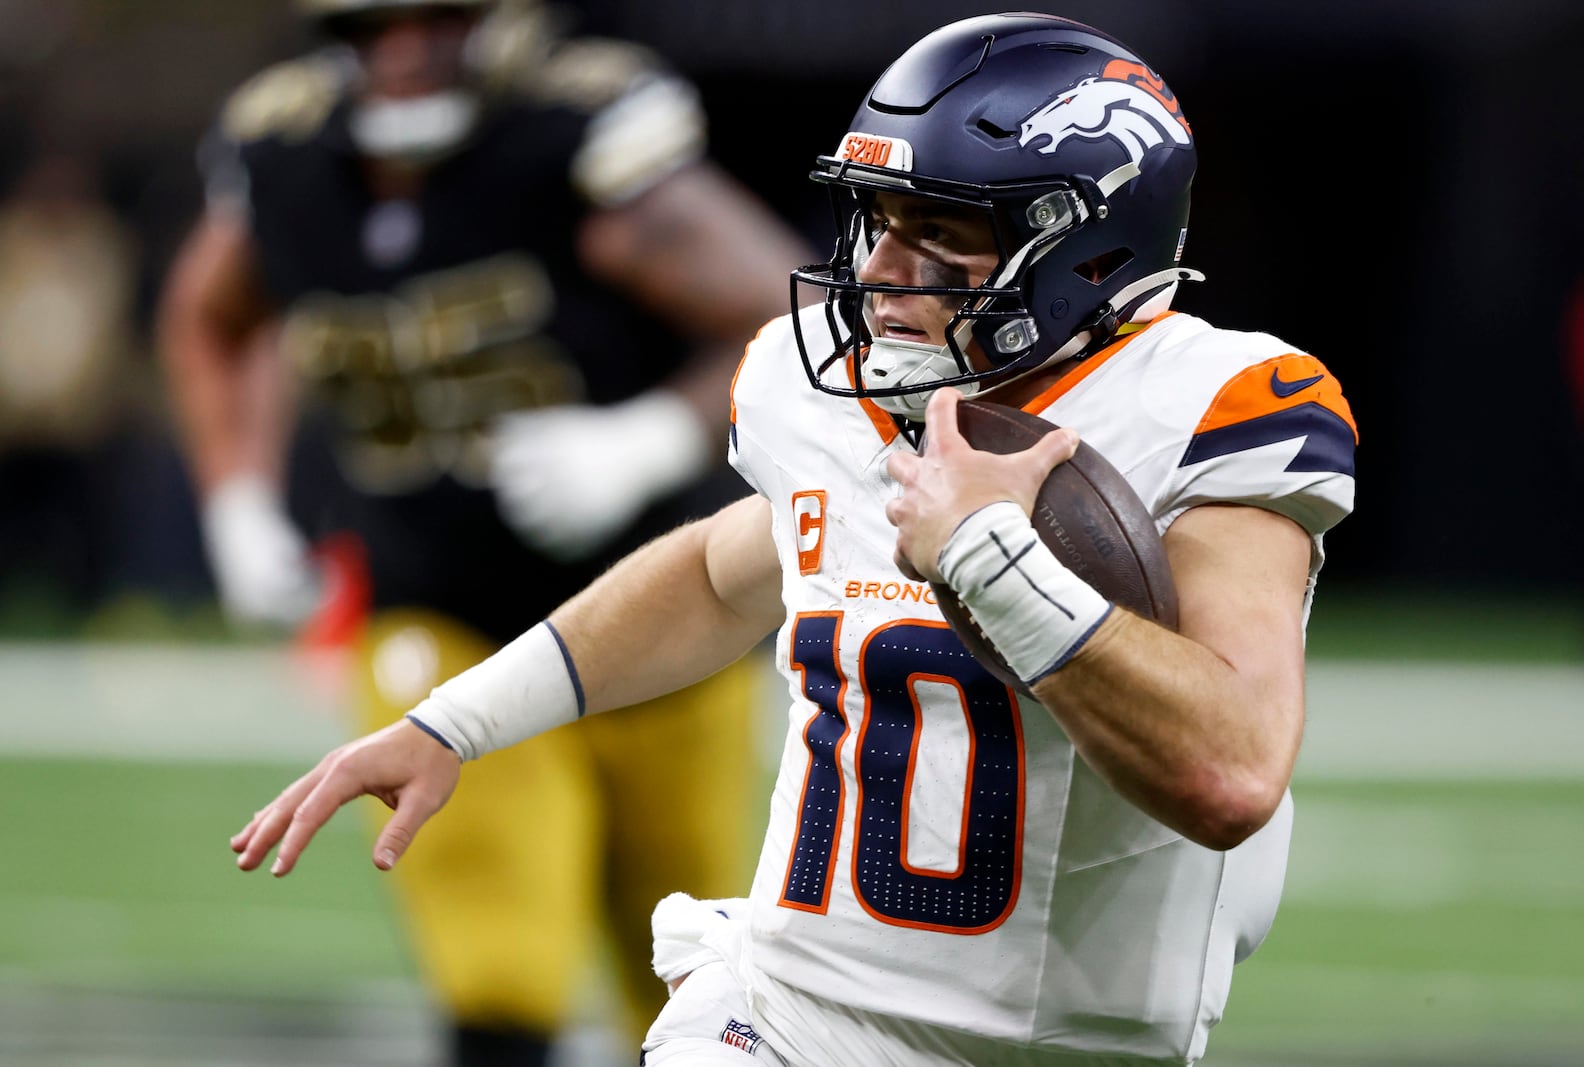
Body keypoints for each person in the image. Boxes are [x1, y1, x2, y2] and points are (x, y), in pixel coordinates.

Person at [231, 13, 1359, 1066]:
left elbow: (1229, 768)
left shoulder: (1209, 404)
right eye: (877, 223)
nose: (878, 273)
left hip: (1071, 1041)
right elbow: (723, 573)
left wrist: (987, 557)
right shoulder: (817, 386)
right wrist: (457, 721)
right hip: (792, 1016)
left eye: (944, 234)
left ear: (1092, 247)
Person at [158, 0, 815, 1062]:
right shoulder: (283, 152)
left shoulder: (572, 138)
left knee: (690, 979)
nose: (403, 54)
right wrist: (235, 491)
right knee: (498, 972)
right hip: (434, 607)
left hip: (652, 628)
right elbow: (208, 314)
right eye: (372, 29)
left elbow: (787, 320)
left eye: (435, 21)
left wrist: (646, 435)